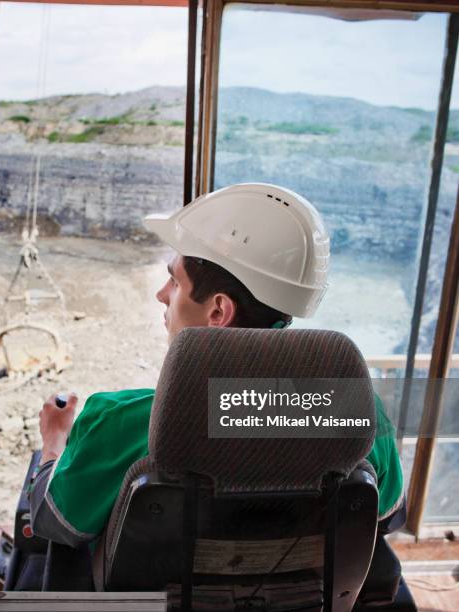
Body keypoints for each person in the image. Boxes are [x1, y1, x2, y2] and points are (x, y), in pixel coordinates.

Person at [29, 183, 404, 548]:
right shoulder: (361, 413)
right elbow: (386, 518)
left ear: (218, 310)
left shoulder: (118, 421)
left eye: (174, 282)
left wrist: (53, 442)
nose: (161, 295)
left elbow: (54, 522)